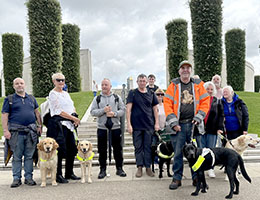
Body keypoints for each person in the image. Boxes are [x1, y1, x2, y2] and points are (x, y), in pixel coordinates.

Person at [164, 60, 210, 190]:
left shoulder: (198, 85)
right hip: (179, 126)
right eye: (183, 68)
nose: (185, 70)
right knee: (178, 153)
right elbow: (167, 104)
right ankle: (177, 178)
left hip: (194, 124)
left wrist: (199, 117)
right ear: (179, 71)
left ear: (191, 71)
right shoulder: (173, 85)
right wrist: (173, 123)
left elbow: (205, 102)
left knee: (196, 152)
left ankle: (197, 177)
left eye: (188, 68)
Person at [1, 78, 42, 188]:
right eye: (17, 84)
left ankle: (29, 178)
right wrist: (5, 130)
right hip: (16, 133)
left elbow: (37, 113)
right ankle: (16, 178)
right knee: (17, 156)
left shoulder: (32, 98)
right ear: (14, 86)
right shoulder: (9, 99)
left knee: (29, 156)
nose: (19, 85)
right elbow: (4, 115)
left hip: (30, 132)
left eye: (21, 83)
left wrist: (40, 125)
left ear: (25, 85)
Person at [47, 73, 81, 184]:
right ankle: (58, 174)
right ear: (54, 81)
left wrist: (74, 116)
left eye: (63, 80)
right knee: (59, 150)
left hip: (70, 125)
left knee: (72, 149)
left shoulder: (66, 94)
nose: (61, 82)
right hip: (59, 125)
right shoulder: (53, 94)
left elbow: (72, 106)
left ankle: (69, 172)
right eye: (58, 80)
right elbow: (57, 111)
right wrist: (73, 118)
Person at [90, 78, 127, 179]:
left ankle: (119, 168)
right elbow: (92, 112)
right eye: (102, 85)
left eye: (106, 85)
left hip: (115, 127)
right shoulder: (97, 99)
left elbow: (123, 110)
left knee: (117, 149)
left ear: (110, 86)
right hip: (102, 128)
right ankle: (102, 170)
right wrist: (103, 110)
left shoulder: (116, 97)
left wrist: (114, 114)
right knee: (102, 150)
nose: (104, 87)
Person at [126, 74, 159, 178]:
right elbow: (128, 109)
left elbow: (155, 109)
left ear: (147, 82)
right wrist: (129, 124)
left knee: (148, 147)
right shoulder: (133, 93)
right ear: (137, 82)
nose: (142, 83)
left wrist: (156, 123)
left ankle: (148, 167)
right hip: (136, 126)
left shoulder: (151, 93)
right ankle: (139, 167)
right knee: (138, 147)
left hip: (149, 125)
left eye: (144, 81)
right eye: (140, 81)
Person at [201, 81, 224, 178]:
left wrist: (219, 128)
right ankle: (201, 169)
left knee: (210, 150)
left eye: (211, 89)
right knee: (201, 150)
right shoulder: (200, 100)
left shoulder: (217, 101)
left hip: (212, 129)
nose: (209, 91)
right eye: (208, 89)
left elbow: (221, 116)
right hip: (200, 130)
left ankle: (210, 169)